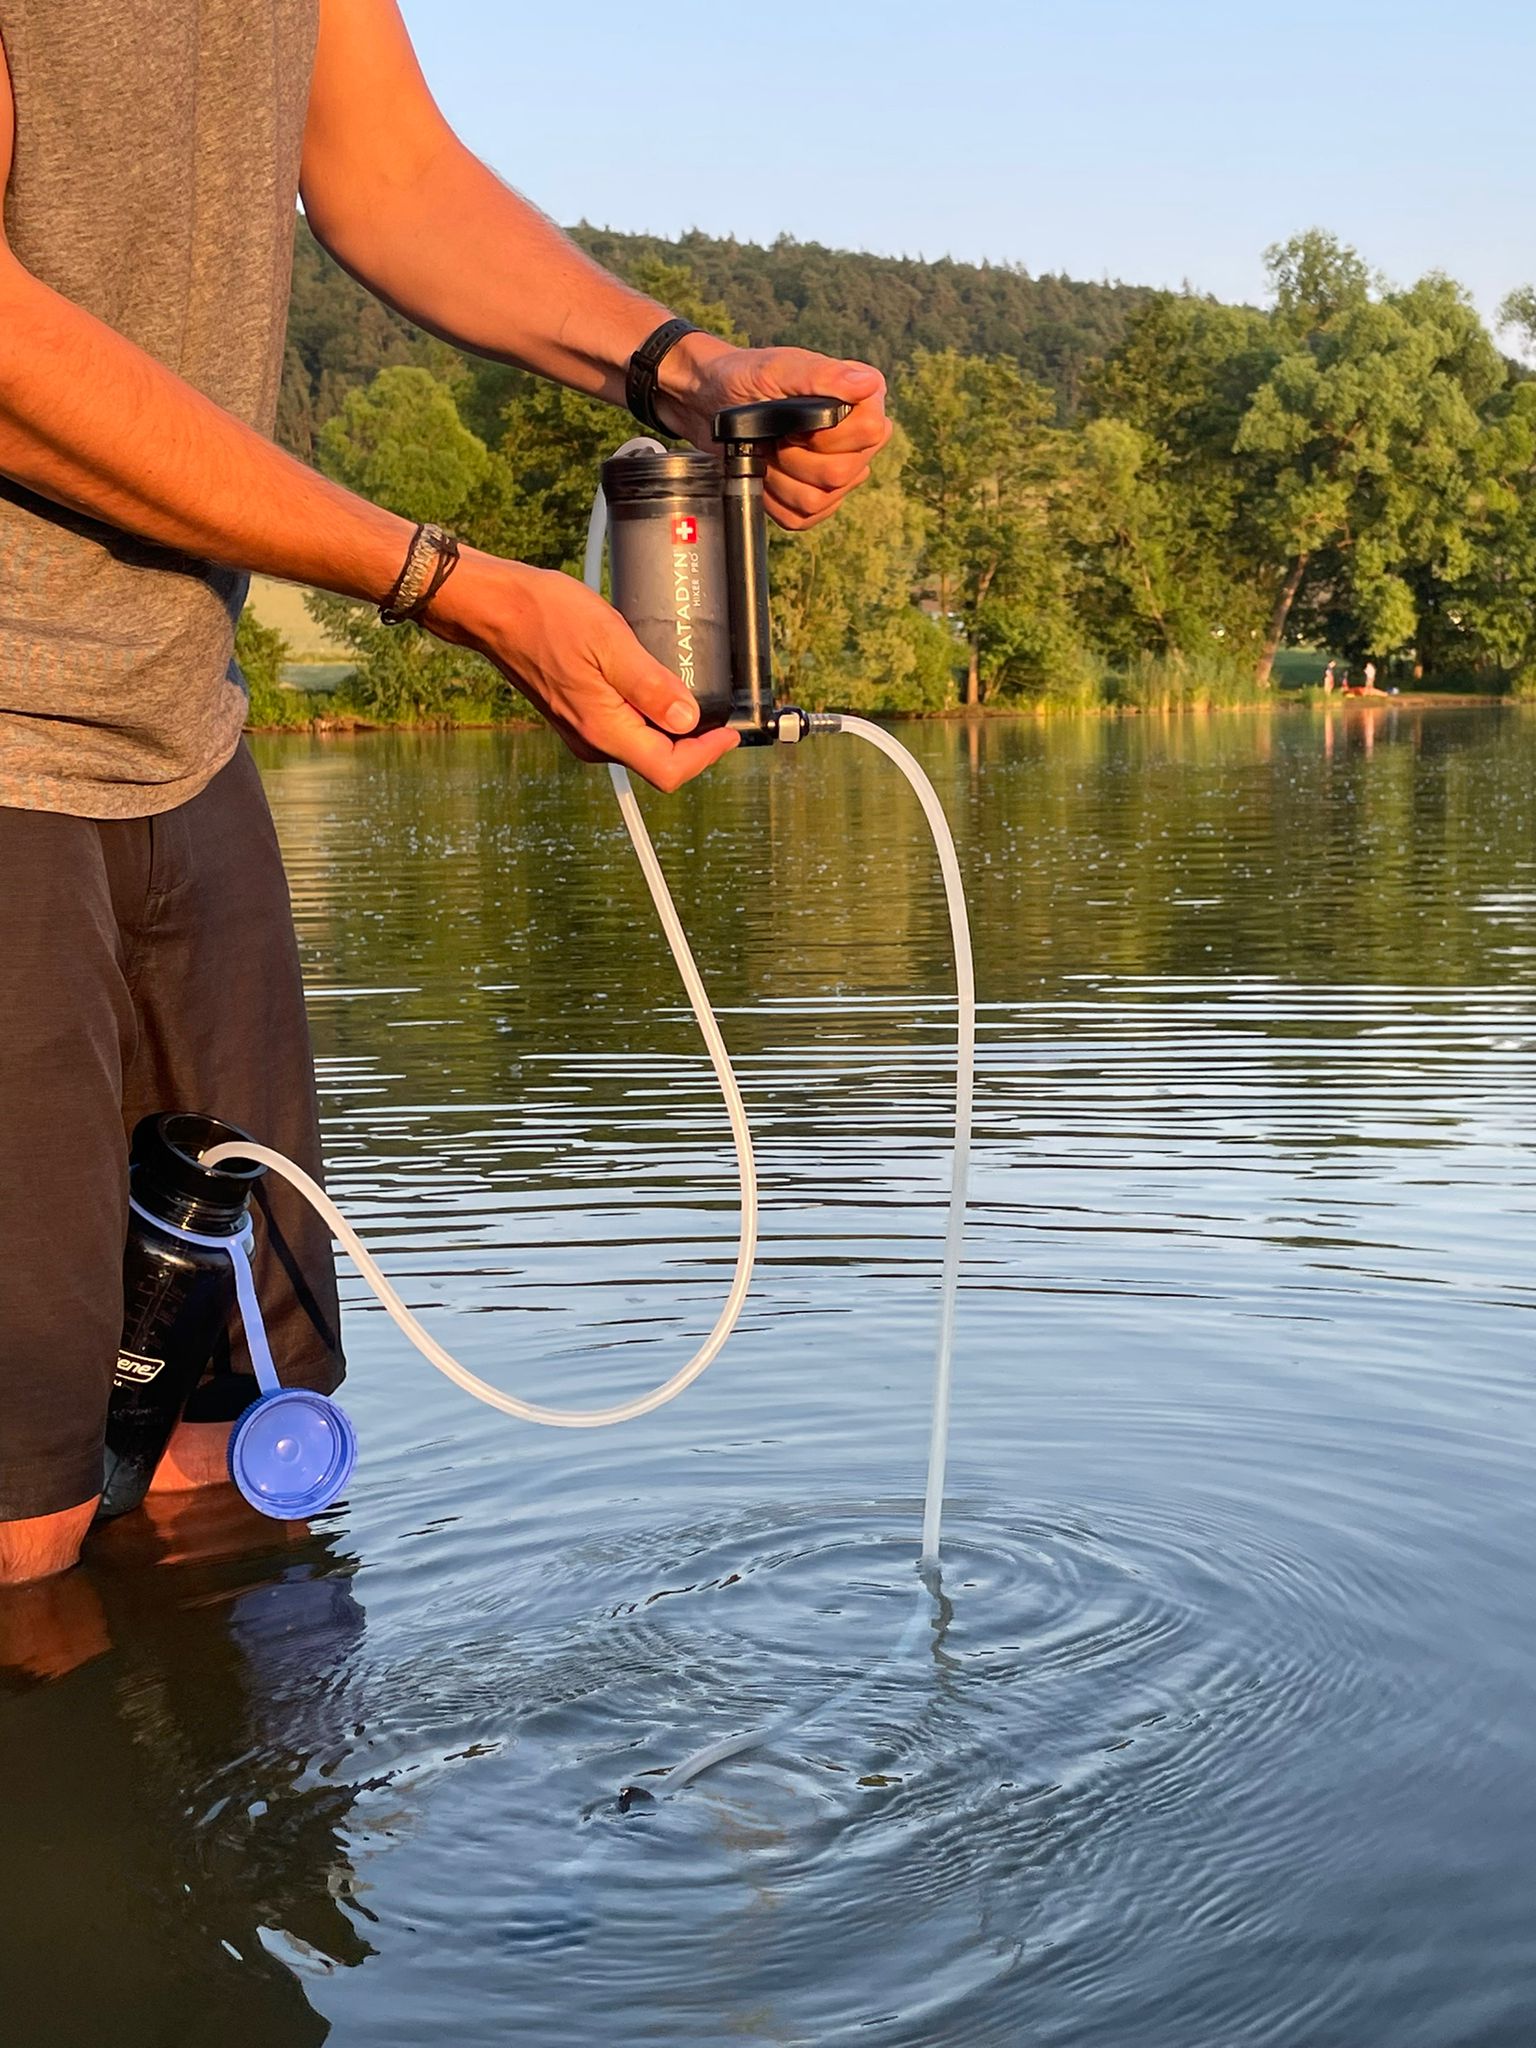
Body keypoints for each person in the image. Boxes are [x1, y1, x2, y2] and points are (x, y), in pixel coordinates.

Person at [0, 0, 890, 1587]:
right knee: (23, 1507)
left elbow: (388, 168)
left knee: (238, 1444)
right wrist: (450, 584)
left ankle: (265, 1827)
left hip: (178, 732)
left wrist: (680, 368)